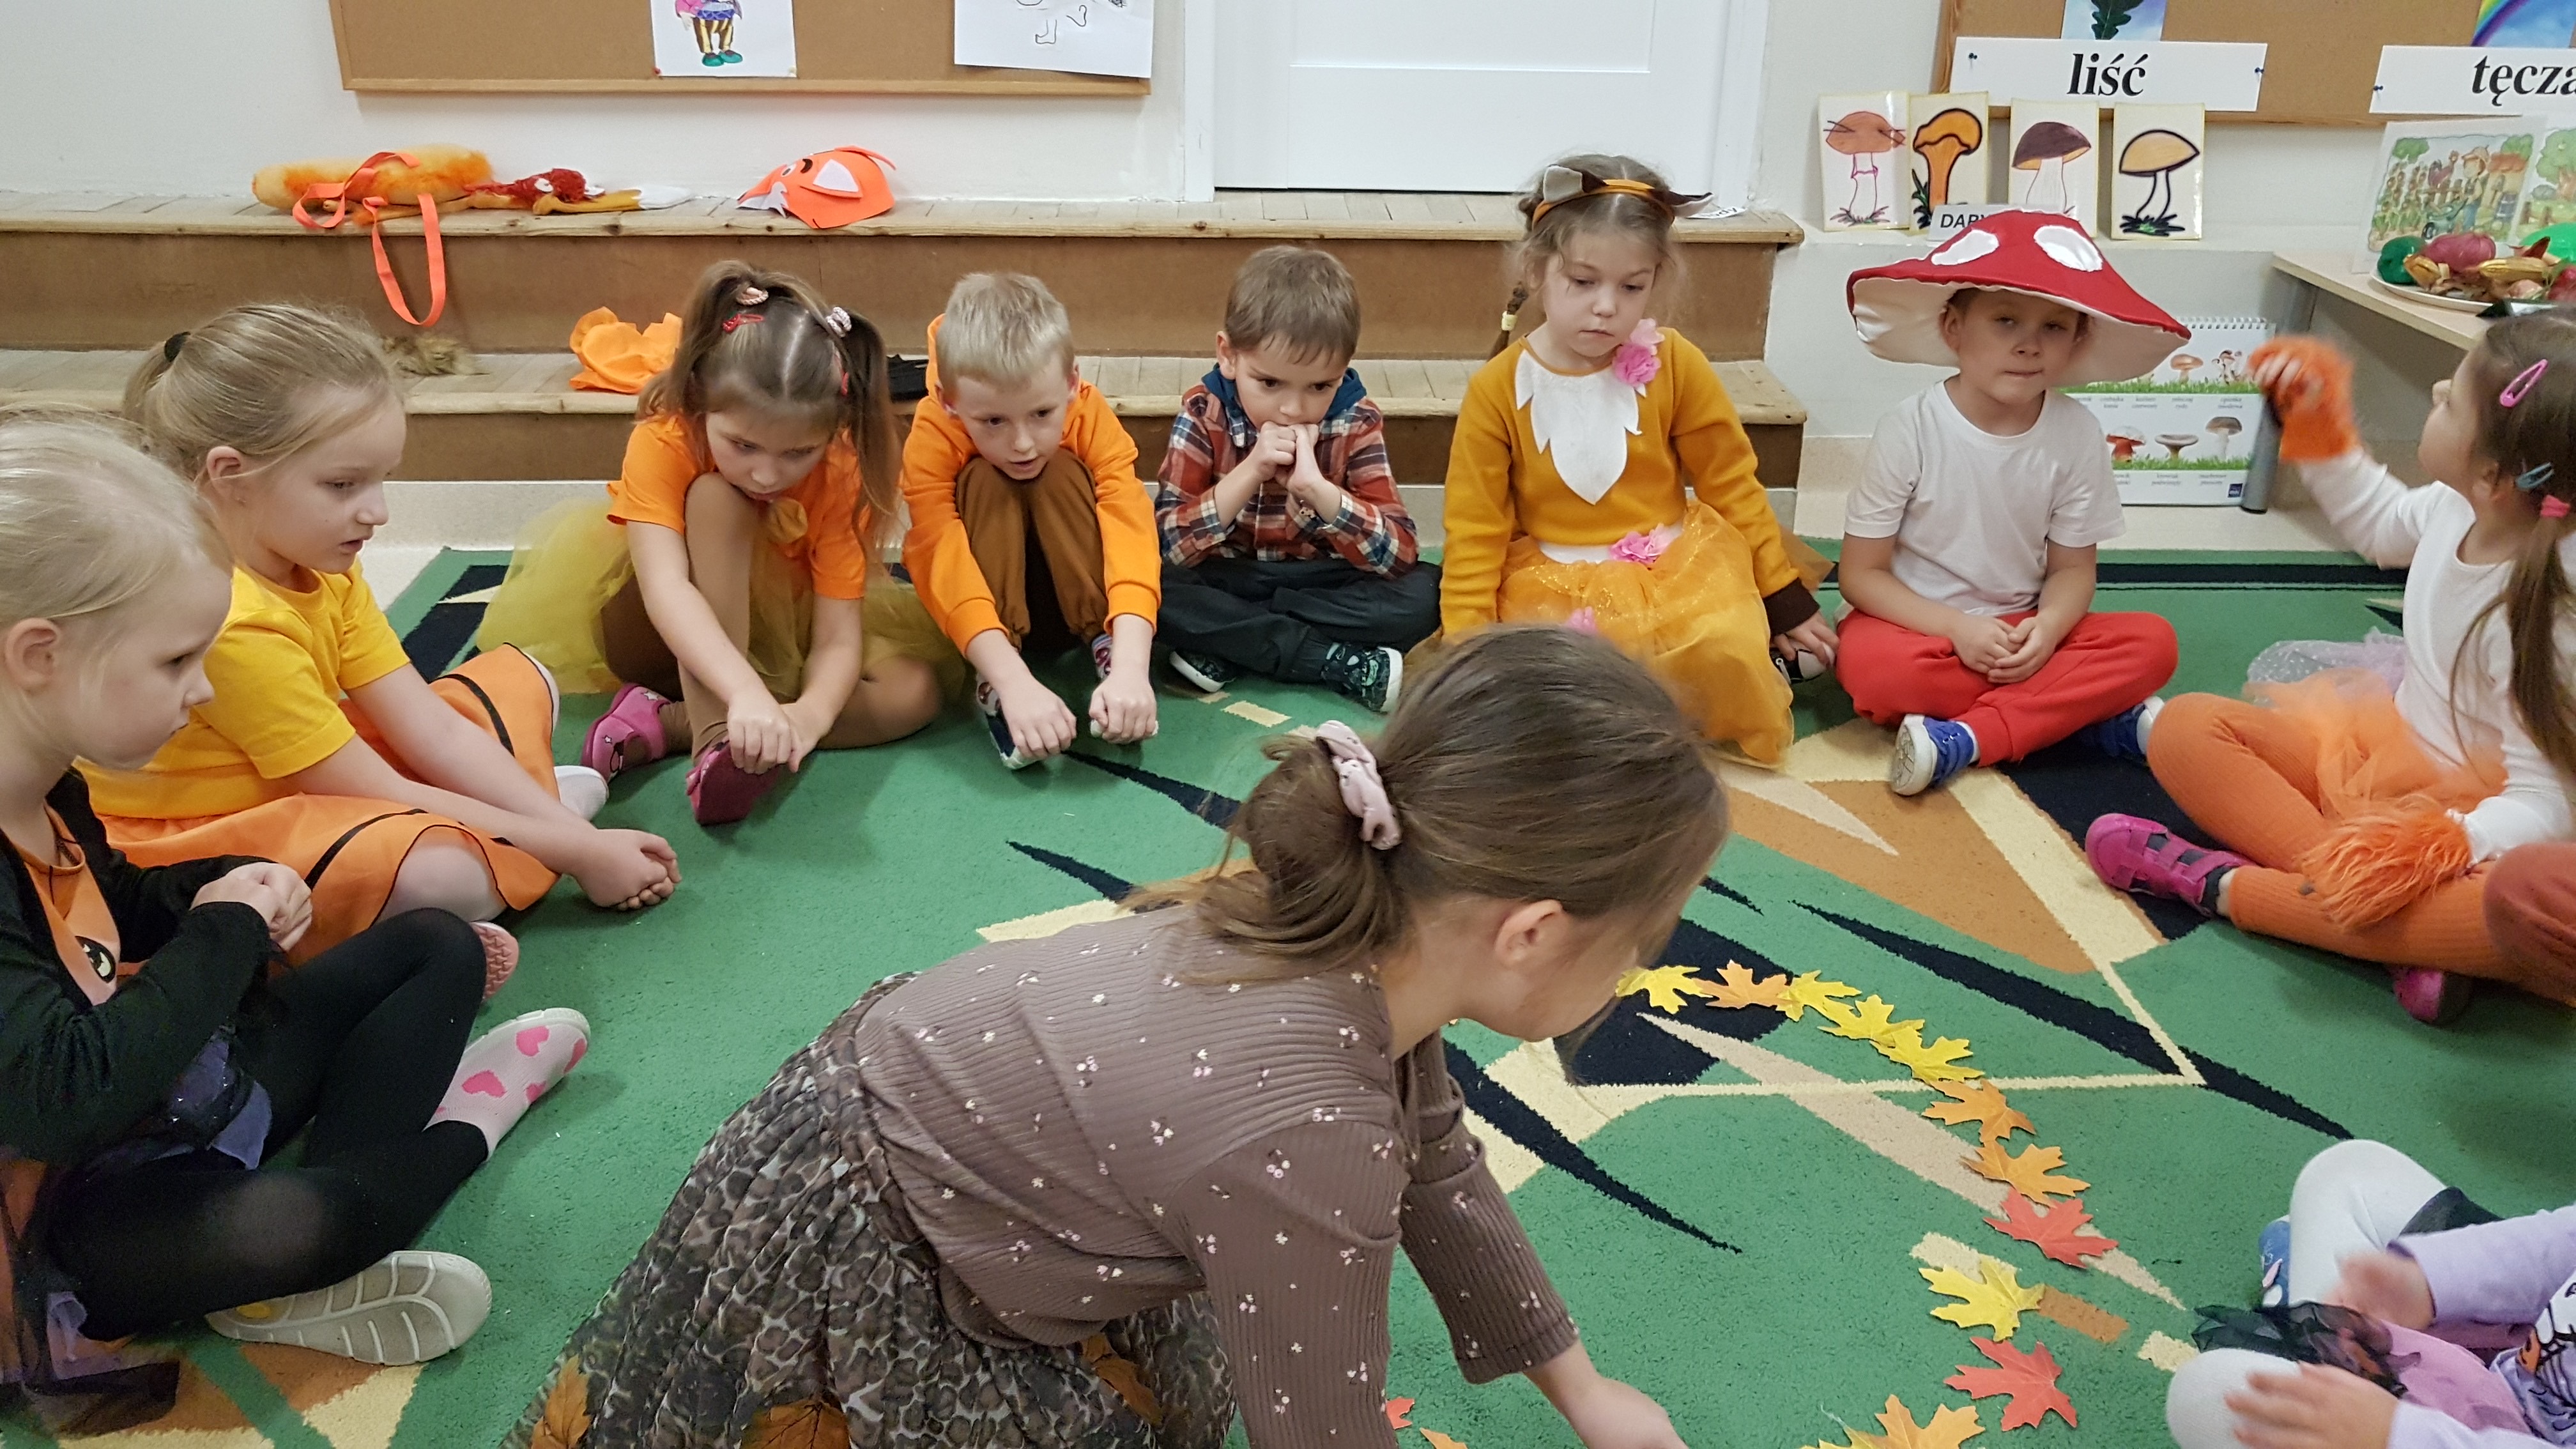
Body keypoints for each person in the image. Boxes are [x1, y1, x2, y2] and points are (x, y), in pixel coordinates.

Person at [505, 627, 1717, 1449]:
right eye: (1641, 939)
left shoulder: (1369, 931)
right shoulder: (1313, 1132)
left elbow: (1439, 1164)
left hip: (927, 1122)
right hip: (872, 1243)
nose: (1638, 970)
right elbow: (1322, 1425)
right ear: (1531, 931)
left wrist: (1581, 1390)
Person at [0, 414, 589, 1427]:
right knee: (320, 1216)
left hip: (158, 1109)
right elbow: (66, 1101)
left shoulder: (48, 780)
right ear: (40, 655)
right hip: (63, 1217)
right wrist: (225, 929)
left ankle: (314, 1243)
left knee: (434, 945)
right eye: (176, 662)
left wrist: (227, 883)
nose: (202, 690)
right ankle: (470, 1121)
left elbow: (119, 904)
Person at [101, 303, 677, 972]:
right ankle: (517, 829)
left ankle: (525, 825)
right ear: (230, 475)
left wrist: (570, 838)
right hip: (212, 829)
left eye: (380, 480)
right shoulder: (233, 620)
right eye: (343, 485)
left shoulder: (315, 558)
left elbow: (429, 727)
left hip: (313, 778)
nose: (376, 512)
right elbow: (370, 786)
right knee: (441, 879)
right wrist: (576, 850)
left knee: (524, 679)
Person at [2087, 319, 2576, 1024]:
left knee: (2506, 918)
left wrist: (2440, 843)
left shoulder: (2554, 615)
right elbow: (2380, 526)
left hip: (2482, 830)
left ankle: (2226, 887)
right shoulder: (2456, 504)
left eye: (2452, 401)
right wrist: (2316, 423)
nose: (2438, 388)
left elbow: (2547, 803)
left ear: (2495, 477)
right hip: (2384, 762)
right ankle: (2396, 928)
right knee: (2185, 728)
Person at [477, 261, 940, 827]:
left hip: (776, 646)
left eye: (798, 454)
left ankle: (670, 724)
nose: (767, 474)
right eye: (743, 445)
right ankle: (716, 738)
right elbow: (667, 590)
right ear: (700, 399)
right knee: (718, 498)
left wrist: (809, 719)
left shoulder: (841, 469)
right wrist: (742, 691)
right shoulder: (665, 439)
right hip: (657, 637)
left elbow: (836, 637)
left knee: (914, 692)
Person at [1441, 155, 1833, 764]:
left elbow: (1731, 483)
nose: (1607, 307)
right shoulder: (1496, 390)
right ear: (1537, 270)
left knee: (1723, 646)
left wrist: (1781, 595)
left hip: (1676, 566)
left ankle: (1759, 656)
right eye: (1583, 282)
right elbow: (1475, 530)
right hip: (1554, 580)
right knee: (1556, 683)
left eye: (1632, 287)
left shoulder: (1675, 363)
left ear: (1656, 281)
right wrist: (1466, 647)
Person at [1839, 211, 2186, 795]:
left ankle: (1970, 737)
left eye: (2054, 327)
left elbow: (2072, 571)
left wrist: (2048, 630)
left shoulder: (2077, 433)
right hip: (1924, 629)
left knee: (2153, 643)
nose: (2029, 345)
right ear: (1954, 328)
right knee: (1872, 670)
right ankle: (2080, 717)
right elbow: (1861, 575)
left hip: (2024, 633)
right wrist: (1958, 628)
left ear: (2078, 341)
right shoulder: (1910, 427)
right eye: (2005, 321)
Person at [1155, 245, 1437, 710]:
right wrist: (1250, 471)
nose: (1292, 409)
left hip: (1321, 580)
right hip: (1230, 575)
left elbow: (1400, 555)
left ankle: (1237, 643)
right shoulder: (1204, 414)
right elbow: (1167, 547)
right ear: (1228, 356)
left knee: (1425, 595)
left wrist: (1319, 493)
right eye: (1269, 383)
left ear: (1343, 371)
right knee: (1155, 588)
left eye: (1320, 387)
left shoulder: (1357, 420)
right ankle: (1332, 661)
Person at [902, 272, 1162, 769]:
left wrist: (1132, 666)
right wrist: (1011, 681)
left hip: (1081, 605)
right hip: (989, 619)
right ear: (950, 402)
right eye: (993, 421)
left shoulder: (1089, 410)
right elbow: (939, 553)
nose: (1022, 443)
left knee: (1060, 468)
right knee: (983, 478)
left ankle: (1104, 645)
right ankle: (996, 677)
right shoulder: (932, 431)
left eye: (1042, 414)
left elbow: (1130, 525)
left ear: (1072, 384)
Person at [2167, 1140, 2573, 1449]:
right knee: (2344, 1172)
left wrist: (2396, 1436)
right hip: (2512, 1359)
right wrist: (2426, 1281)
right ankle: (2299, 1306)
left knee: (2208, 1394)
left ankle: (2295, 1305)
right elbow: (2561, 1242)